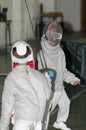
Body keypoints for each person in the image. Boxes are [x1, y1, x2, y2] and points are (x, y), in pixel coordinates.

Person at [36, 21, 80, 130]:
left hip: (60, 87)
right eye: (51, 34)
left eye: (56, 35)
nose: (53, 38)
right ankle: (39, 126)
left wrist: (72, 79)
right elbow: (40, 73)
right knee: (46, 110)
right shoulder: (41, 54)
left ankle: (59, 122)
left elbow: (63, 71)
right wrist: (46, 77)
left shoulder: (60, 52)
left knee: (66, 103)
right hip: (50, 90)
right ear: (46, 34)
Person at [0, 40, 51, 130]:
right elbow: (47, 95)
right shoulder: (39, 75)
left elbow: (7, 106)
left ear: (13, 56)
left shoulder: (12, 78)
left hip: (22, 124)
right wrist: (47, 80)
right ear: (30, 54)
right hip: (38, 123)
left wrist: (3, 127)